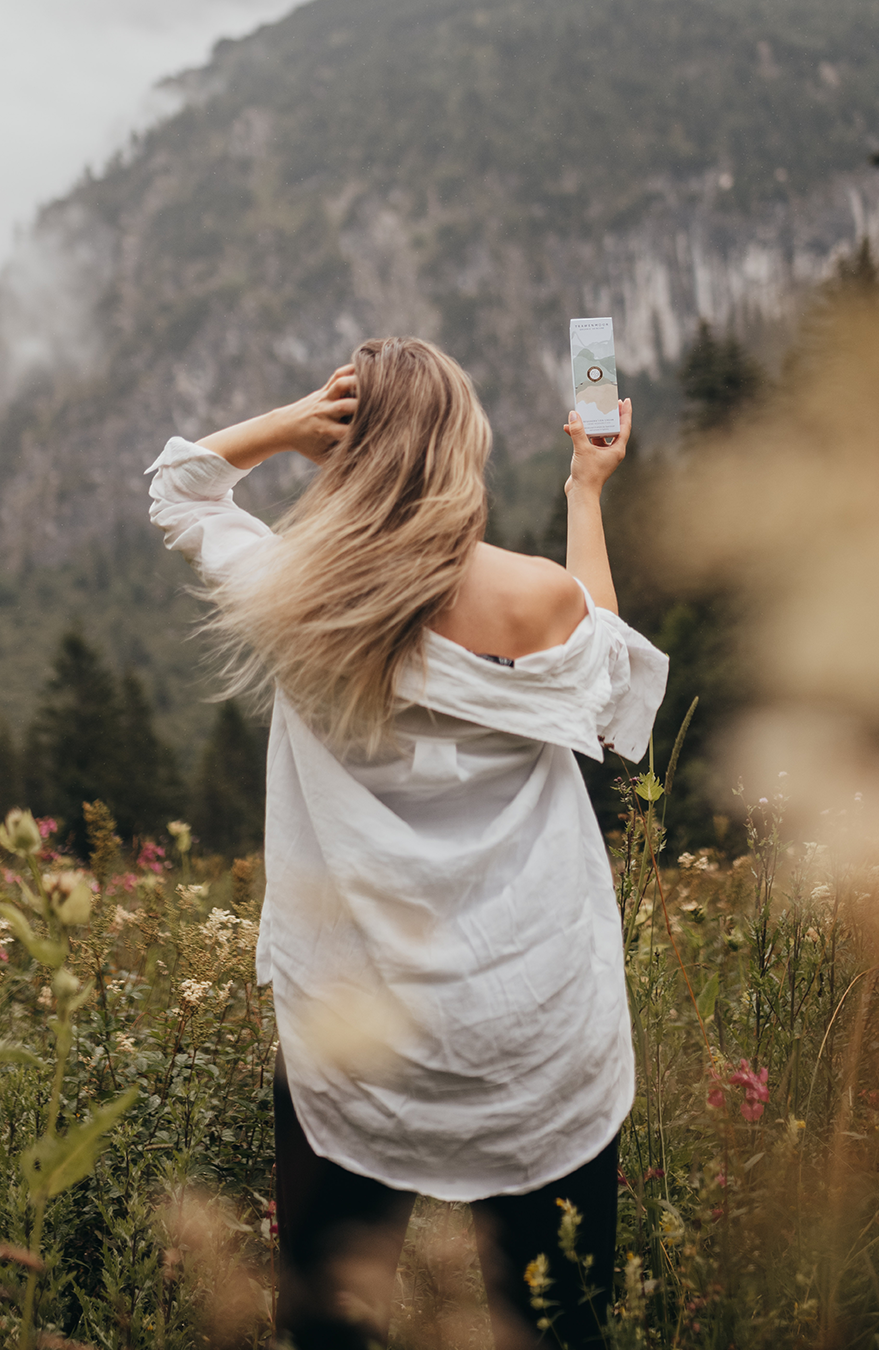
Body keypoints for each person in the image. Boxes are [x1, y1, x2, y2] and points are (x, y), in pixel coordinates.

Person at [147, 337, 668, 1349]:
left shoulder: (291, 592)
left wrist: (293, 425)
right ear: (463, 449)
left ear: (347, 447)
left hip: (354, 1032)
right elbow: (611, 681)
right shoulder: (539, 599)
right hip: (532, 1025)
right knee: (555, 1324)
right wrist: (586, 488)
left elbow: (183, 490)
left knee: (332, 1325)